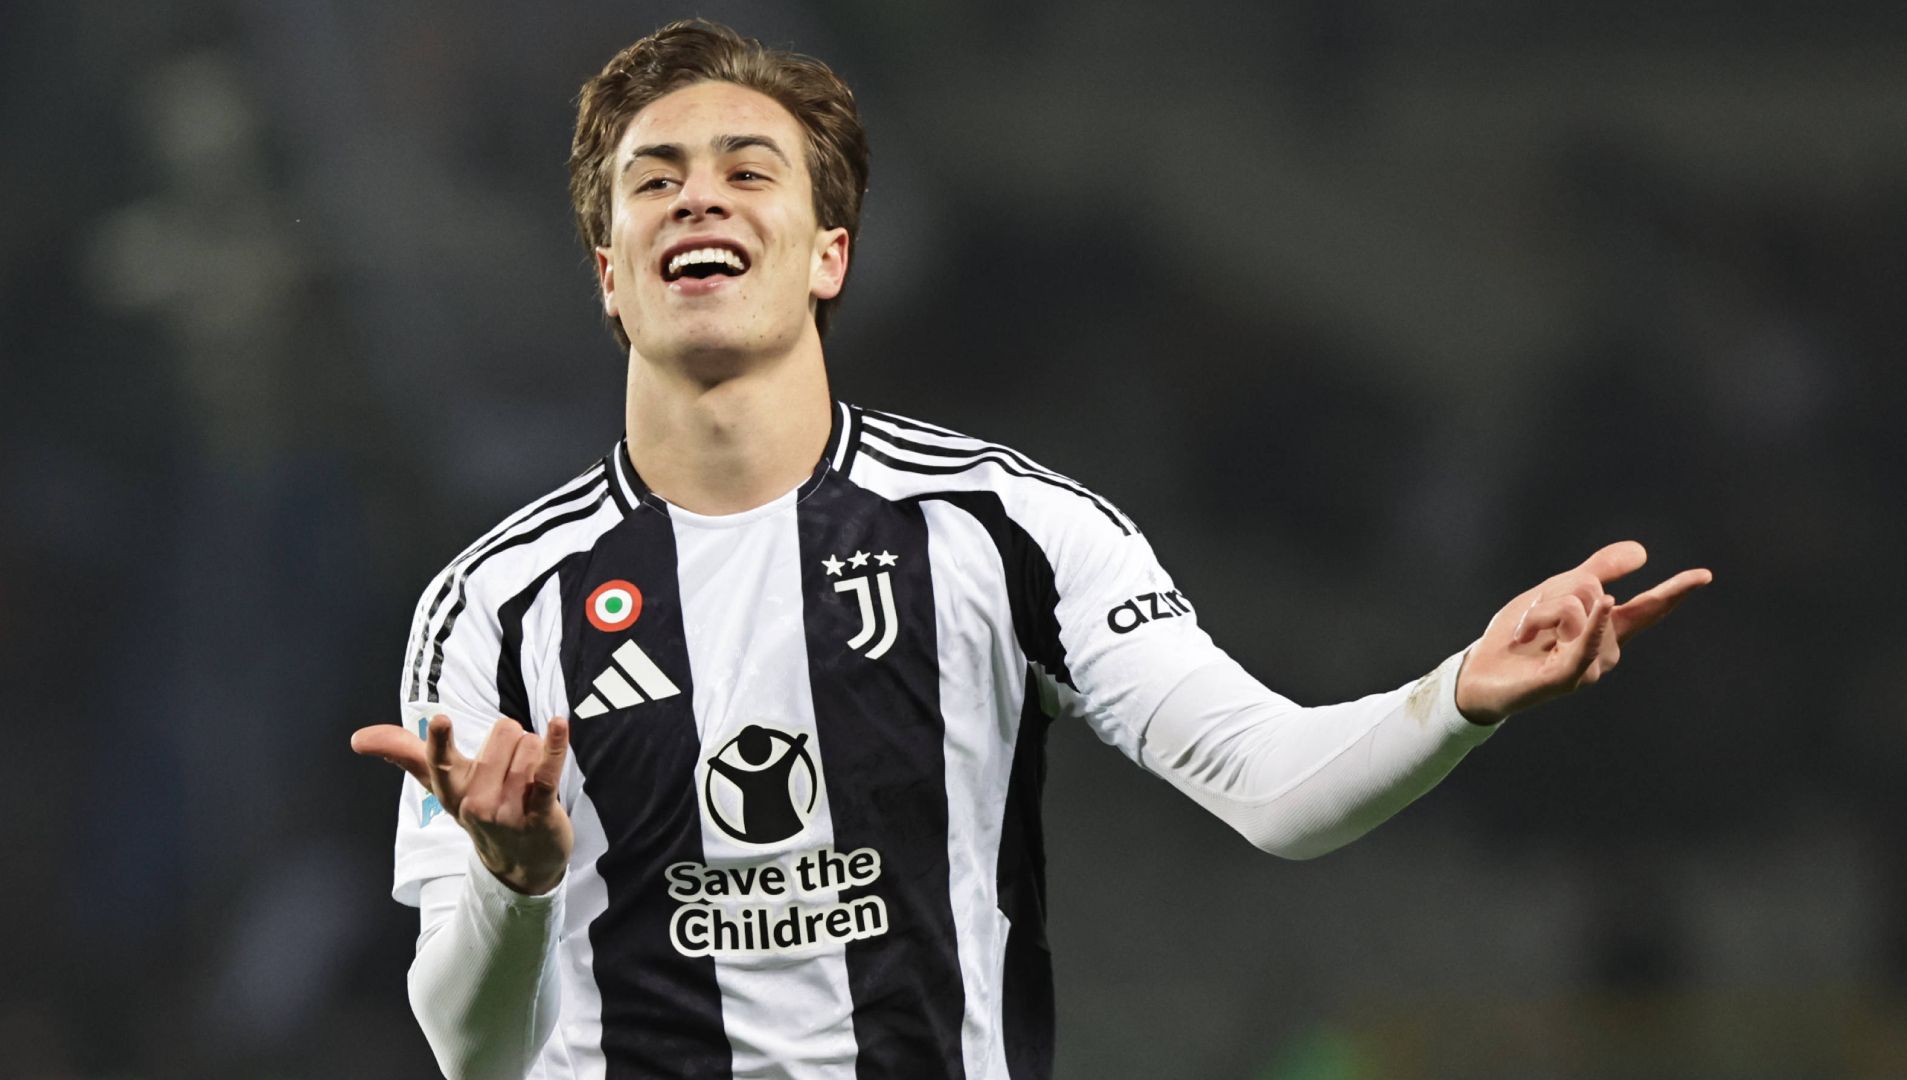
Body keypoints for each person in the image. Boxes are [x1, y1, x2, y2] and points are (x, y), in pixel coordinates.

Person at [351, 19, 1711, 1080]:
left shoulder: (1009, 530)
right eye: (655, 181)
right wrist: (513, 884)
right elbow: (468, 1049)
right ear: (608, 270)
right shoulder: (497, 607)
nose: (699, 200)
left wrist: (1458, 693)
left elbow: (1273, 787)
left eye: (747, 172)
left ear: (830, 254)